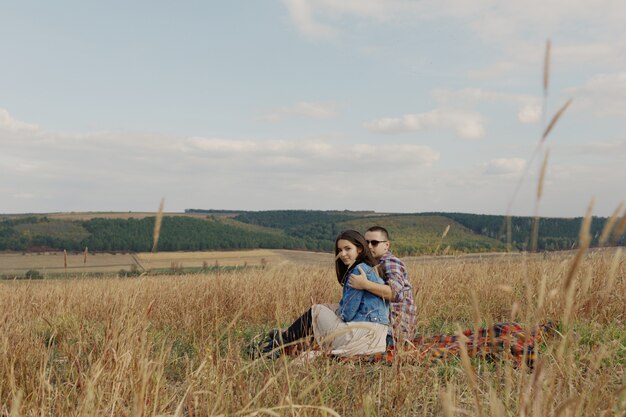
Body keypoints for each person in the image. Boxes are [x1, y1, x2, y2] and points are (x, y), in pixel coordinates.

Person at [260, 230, 389, 358]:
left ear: (360, 249)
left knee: (316, 310)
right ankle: (282, 341)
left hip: (362, 336)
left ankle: (277, 343)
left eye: (347, 249)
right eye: (340, 250)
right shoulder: (371, 269)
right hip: (377, 341)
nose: (343, 254)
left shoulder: (358, 271)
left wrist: (336, 313)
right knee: (321, 315)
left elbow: (348, 314)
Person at [348, 226, 417, 346]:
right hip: (384, 327)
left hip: (394, 333)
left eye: (374, 243)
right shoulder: (373, 264)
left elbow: (394, 294)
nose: (369, 246)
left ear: (387, 245)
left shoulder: (390, 262)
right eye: (366, 242)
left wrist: (364, 284)